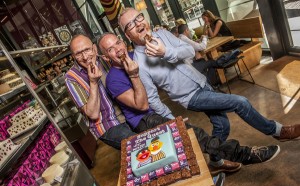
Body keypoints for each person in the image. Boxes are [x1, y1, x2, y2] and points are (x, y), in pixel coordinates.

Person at [98, 32, 281, 173]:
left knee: (217, 125)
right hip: (144, 119)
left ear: (124, 41)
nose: (118, 49)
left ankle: (216, 162)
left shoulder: (137, 55)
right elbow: (143, 106)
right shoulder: (113, 79)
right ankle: (246, 154)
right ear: (106, 58)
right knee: (194, 135)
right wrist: (169, 117)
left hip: (171, 101)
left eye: (118, 43)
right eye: (110, 49)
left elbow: (168, 69)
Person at [118, 8, 300, 143]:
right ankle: (277, 131)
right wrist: (173, 122)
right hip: (191, 97)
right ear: (127, 35)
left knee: (222, 125)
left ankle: (216, 159)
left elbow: (190, 51)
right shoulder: (139, 63)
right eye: (131, 24)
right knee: (240, 102)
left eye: (139, 17)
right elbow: (152, 98)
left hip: (202, 83)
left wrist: (166, 51)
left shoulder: (163, 34)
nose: (138, 23)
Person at [65, 34, 139, 150]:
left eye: (87, 50)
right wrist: (93, 82)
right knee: (138, 146)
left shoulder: (105, 59)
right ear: (73, 56)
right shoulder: (71, 78)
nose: (85, 57)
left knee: (151, 140)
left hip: (127, 112)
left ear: (94, 48)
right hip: (106, 125)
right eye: (78, 54)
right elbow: (93, 114)